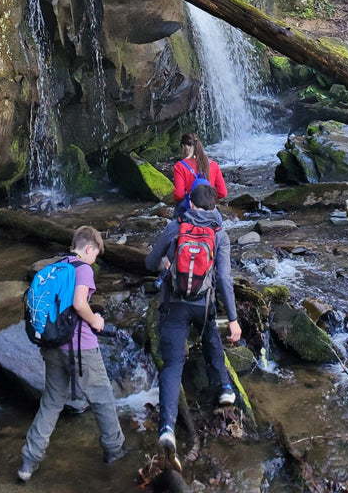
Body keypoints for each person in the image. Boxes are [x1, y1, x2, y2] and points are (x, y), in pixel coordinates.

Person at [17, 225, 126, 482]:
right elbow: (79, 304)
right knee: (102, 398)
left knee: (52, 402)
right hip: (80, 347)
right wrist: (96, 321)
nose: (94, 261)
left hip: (50, 345)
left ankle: (28, 461)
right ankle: (115, 450)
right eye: (95, 255)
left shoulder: (53, 268)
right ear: (89, 249)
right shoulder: (83, 269)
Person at [145, 183, 242, 470]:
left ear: (190, 202)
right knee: (211, 333)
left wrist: (165, 264)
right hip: (204, 306)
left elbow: (150, 262)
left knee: (172, 365)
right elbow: (224, 280)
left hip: (174, 306)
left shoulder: (175, 226)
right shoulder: (219, 234)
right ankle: (225, 386)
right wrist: (234, 319)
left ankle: (166, 428)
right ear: (214, 207)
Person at [173, 133, 227, 210]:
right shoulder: (213, 164)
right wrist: (208, 199)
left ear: (184, 147)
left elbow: (179, 195)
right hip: (209, 209)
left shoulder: (180, 166)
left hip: (191, 210)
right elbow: (223, 192)